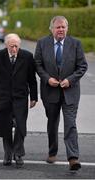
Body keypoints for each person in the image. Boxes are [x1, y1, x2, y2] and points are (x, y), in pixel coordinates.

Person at [34, 16, 88, 170]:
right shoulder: (42, 43)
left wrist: (70, 80)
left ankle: (73, 158)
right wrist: (47, 78)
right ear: (51, 29)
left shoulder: (75, 44)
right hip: (49, 91)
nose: (61, 30)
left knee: (70, 124)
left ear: (67, 28)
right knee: (52, 123)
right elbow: (37, 64)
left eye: (63, 27)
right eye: (58, 27)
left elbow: (82, 66)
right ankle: (52, 152)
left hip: (70, 92)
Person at [0, 33, 38, 167]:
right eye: (11, 46)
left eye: (16, 46)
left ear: (19, 45)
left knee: (20, 126)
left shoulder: (27, 56)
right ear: (6, 45)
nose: (14, 49)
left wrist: (34, 97)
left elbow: (32, 79)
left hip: (20, 98)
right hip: (2, 98)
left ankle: (18, 153)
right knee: (5, 127)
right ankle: (8, 153)